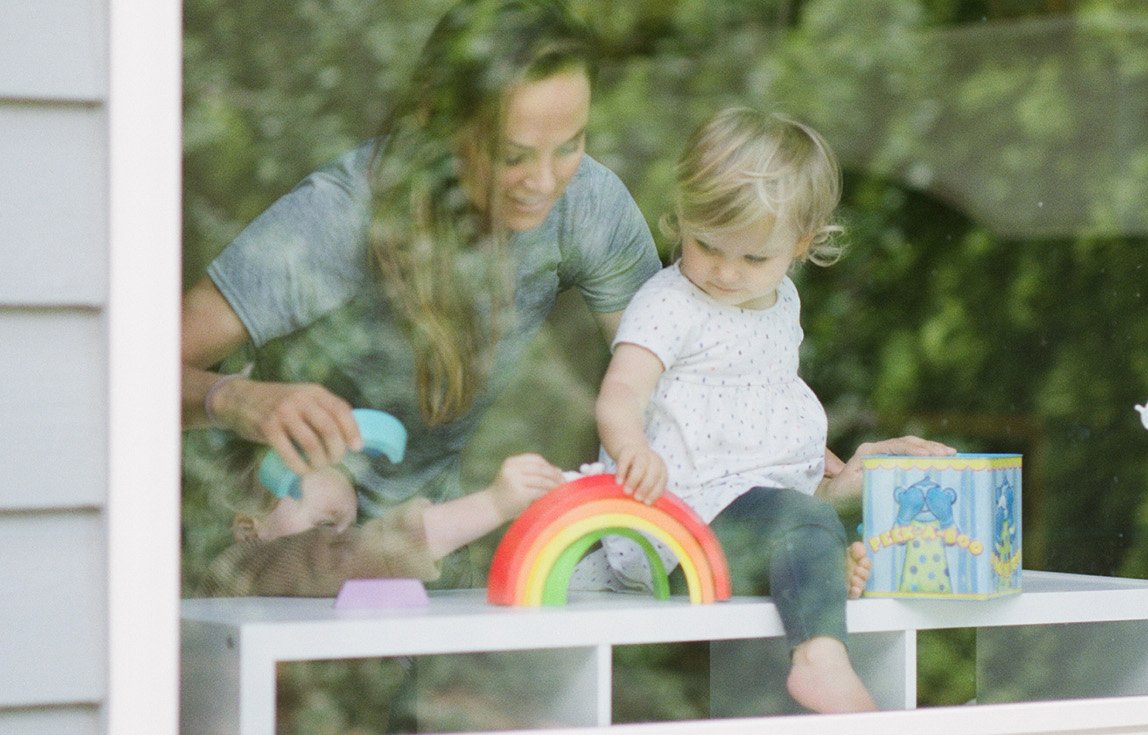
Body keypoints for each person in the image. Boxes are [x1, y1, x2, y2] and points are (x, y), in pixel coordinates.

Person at [181, 0, 661, 529]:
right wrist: (238, 400)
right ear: (438, 120)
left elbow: (669, 373)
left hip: (433, 543)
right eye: (511, 155)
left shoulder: (588, 204)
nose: (546, 183)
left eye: (569, 146)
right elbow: (134, 373)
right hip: (278, 527)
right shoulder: (341, 215)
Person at [589, 107, 955, 713]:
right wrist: (631, 448)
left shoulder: (781, 299)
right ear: (682, 218)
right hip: (679, 528)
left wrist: (820, 466)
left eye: (754, 258)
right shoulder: (670, 302)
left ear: (801, 246)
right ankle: (820, 661)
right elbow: (621, 392)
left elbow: (763, 403)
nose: (727, 272)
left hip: (744, 509)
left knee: (812, 527)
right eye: (707, 245)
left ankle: (814, 573)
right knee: (800, 524)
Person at [201, 453, 562, 597]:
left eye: (352, 527)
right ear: (250, 531)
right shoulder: (240, 571)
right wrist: (493, 504)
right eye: (325, 526)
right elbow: (350, 555)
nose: (342, 539)